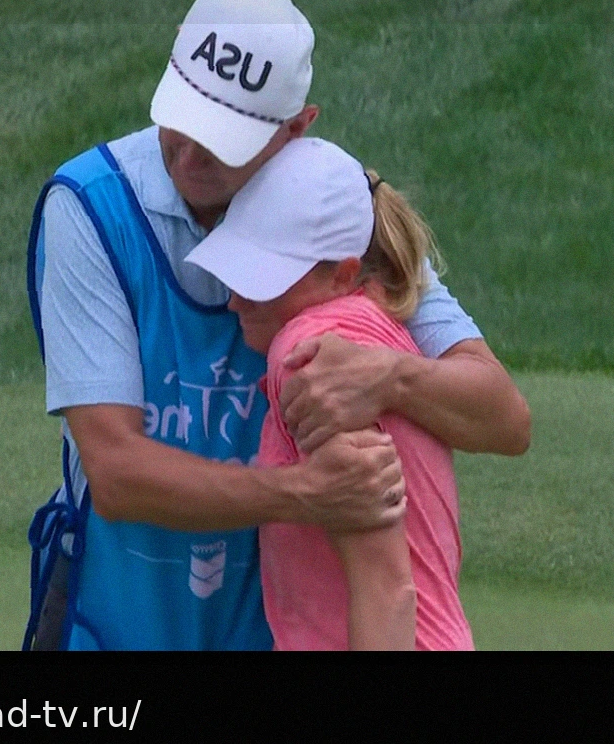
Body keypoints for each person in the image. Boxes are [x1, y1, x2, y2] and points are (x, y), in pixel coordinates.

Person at [24, 0, 529, 651]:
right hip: (115, 613)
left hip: (270, 630)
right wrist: (305, 492)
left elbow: (504, 418)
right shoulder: (90, 204)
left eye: (223, 138)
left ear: (296, 129)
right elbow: (117, 473)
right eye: (182, 118)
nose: (190, 154)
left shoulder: (331, 208)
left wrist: (390, 376)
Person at [185, 136, 474, 650]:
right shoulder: (371, 329)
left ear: (342, 275)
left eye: (262, 280)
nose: (235, 301)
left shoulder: (307, 352)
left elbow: (386, 590)